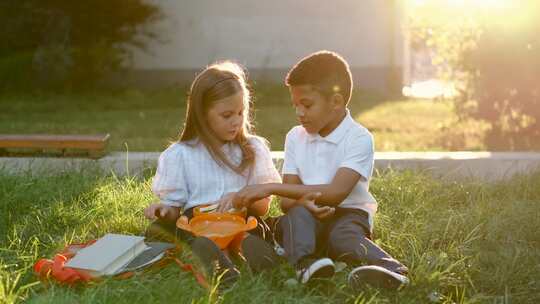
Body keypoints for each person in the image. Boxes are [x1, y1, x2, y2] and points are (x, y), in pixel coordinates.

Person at [231, 51, 409, 290]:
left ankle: (392, 270)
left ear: (335, 101)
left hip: (348, 215)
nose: (299, 113)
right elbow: (286, 202)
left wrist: (269, 187)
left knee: (342, 237)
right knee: (296, 219)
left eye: (307, 105)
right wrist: (303, 201)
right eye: (295, 105)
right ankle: (307, 265)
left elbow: (336, 193)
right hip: (305, 213)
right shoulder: (295, 137)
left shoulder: (358, 138)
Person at [143, 61, 281, 286]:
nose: (236, 121)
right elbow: (174, 209)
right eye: (227, 115)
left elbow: (262, 208)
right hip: (197, 224)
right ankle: (221, 265)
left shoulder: (253, 149)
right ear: (201, 115)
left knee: (253, 229)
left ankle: (253, 253)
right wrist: (163, 210)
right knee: (172, 231)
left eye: (240, 112)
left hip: (241, 219)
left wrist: (247, 197)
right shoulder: (181, 155)